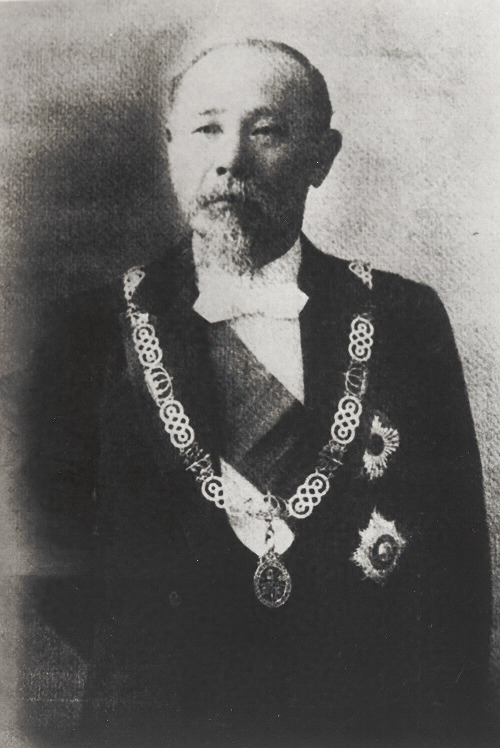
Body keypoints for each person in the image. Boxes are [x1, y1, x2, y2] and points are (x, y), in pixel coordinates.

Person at [25, 39, 492, 747]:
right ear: (172, 148)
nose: (230, 160)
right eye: (207, 128)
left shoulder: (402, 318)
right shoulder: (89, 327)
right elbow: (44, 550)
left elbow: (455, 569)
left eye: (266, 130)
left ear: (321, 157)